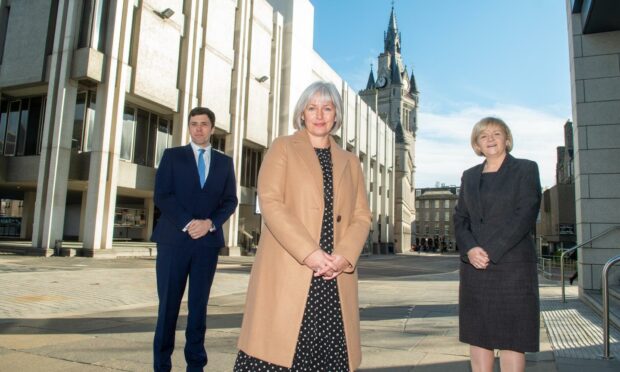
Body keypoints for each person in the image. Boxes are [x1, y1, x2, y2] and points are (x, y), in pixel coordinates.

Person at [234, 81, 372, 371]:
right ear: (302, 113)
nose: (319, 115)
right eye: (312, 108)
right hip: (290, 267)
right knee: (278, 351)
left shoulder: (351, 162)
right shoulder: (283, 147)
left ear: (336, 115)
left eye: (327, 108)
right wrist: (309, 253)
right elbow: (270, 202)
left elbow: (362, 216)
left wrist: (344, 256)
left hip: (333, 277)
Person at [151, 107, 238, 372]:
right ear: (188, 127)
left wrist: (209, 223)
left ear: (212, 128)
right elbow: (162, 195)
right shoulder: (172, 156)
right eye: (193, 124)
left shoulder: (224, 163)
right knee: (168, 307)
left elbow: (230, 200)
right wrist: (189, 223)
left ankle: (196, 365)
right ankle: (161, 365)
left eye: (203, 124)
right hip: (173, 241)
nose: (198, 128)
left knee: (198, 308)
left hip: (206, 244)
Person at [453, 117, 542, 372]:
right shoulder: (469, 176)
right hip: (475, 268)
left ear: (507, 139)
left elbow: (525, 213)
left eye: (496, 133)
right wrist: (470, 249)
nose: (490, 139)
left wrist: (489, 250)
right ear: (477, 144)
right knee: (478, 335)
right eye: (483, 136)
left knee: (512, 338)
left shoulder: (526, 169)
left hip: (512, 268)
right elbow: (460, 218)